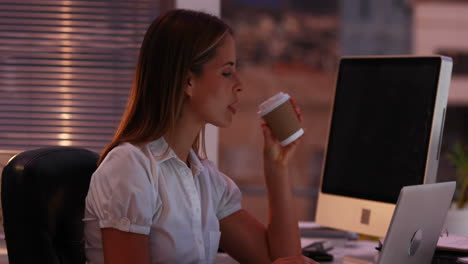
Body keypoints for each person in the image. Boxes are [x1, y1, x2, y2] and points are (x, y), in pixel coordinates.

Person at [84, 9, 317, 264]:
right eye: (227, 72)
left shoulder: (205, 180)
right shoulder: (130, 168)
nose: (239, 84)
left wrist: (277, 166)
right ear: (188, 81)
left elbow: (281, 259)